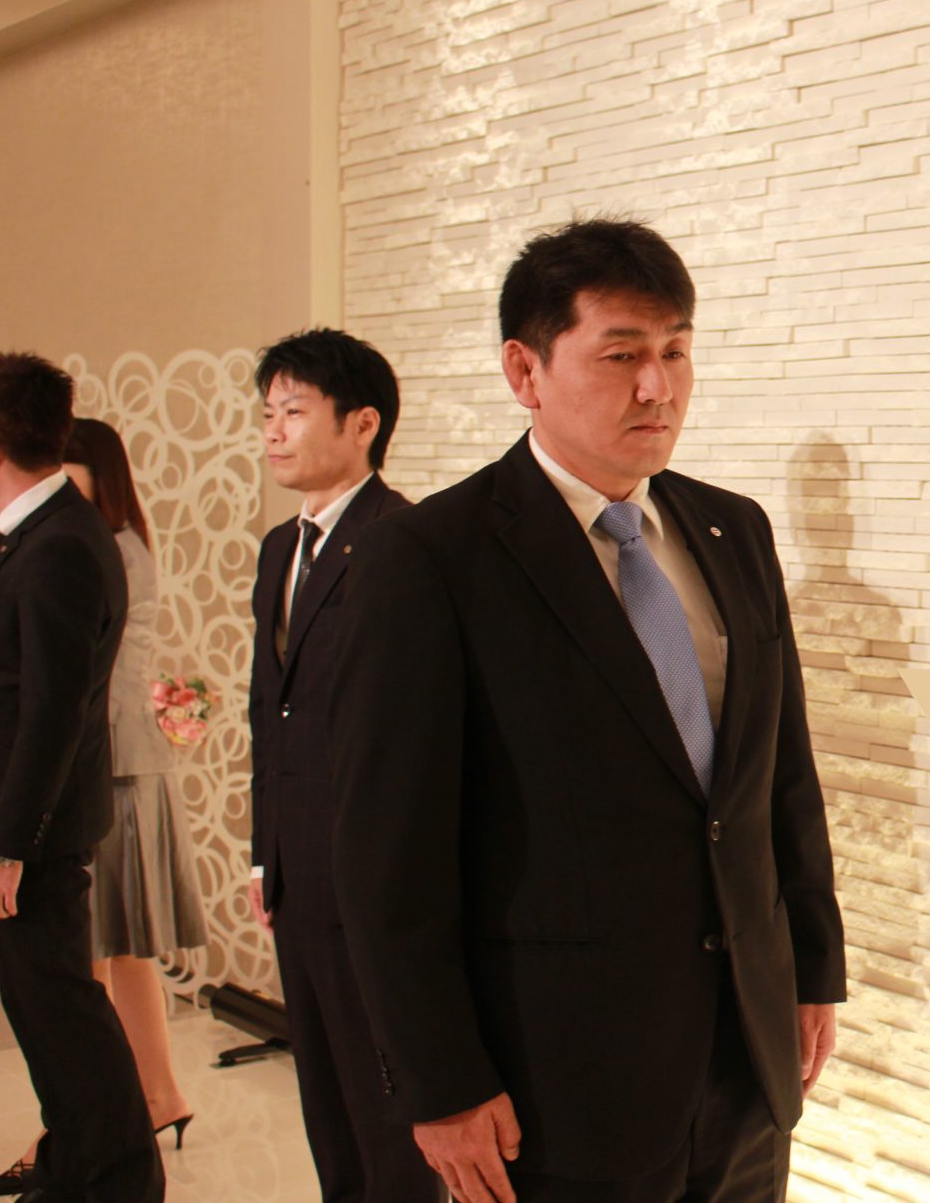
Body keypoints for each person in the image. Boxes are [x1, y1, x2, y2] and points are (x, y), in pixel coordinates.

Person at [330, 218, 847, 1203]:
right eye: (621, 356)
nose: (657, 386)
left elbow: (781, 773)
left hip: (744, 1055)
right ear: (524, 371)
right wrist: (440, 1080)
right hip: (555, 1080)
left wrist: (811, 967)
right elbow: (386, 856)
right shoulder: (432, 558)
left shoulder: (732, 528)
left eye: (675, 352)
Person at [0, 420, 212, 1197]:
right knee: (110, 950)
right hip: (107, 765)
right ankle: (147, 1102)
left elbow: (70, 693)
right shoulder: (99, 543)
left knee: (90, 961)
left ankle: (98, 1132)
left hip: (106, 770)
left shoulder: (92, 550)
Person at [0, 354, 164, 1203]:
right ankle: (83, 1164)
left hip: (30, 835)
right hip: (12, 826)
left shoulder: (61, 547)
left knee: (63, 1014)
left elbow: (53, 713)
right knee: (47, 1013)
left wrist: (7, 845)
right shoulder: (30, 534)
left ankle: (115, 1177)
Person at [245, 329, 435, 1203]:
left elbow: (418, 729)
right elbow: (270, 711)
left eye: (294, 411)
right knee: (325, 1097)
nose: (273, 431)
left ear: (363, 424)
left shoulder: (406, 541)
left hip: (374, 877)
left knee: (386, 1105)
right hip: (297, 870)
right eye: (268, 413)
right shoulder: (279, 548)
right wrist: (265, 852)